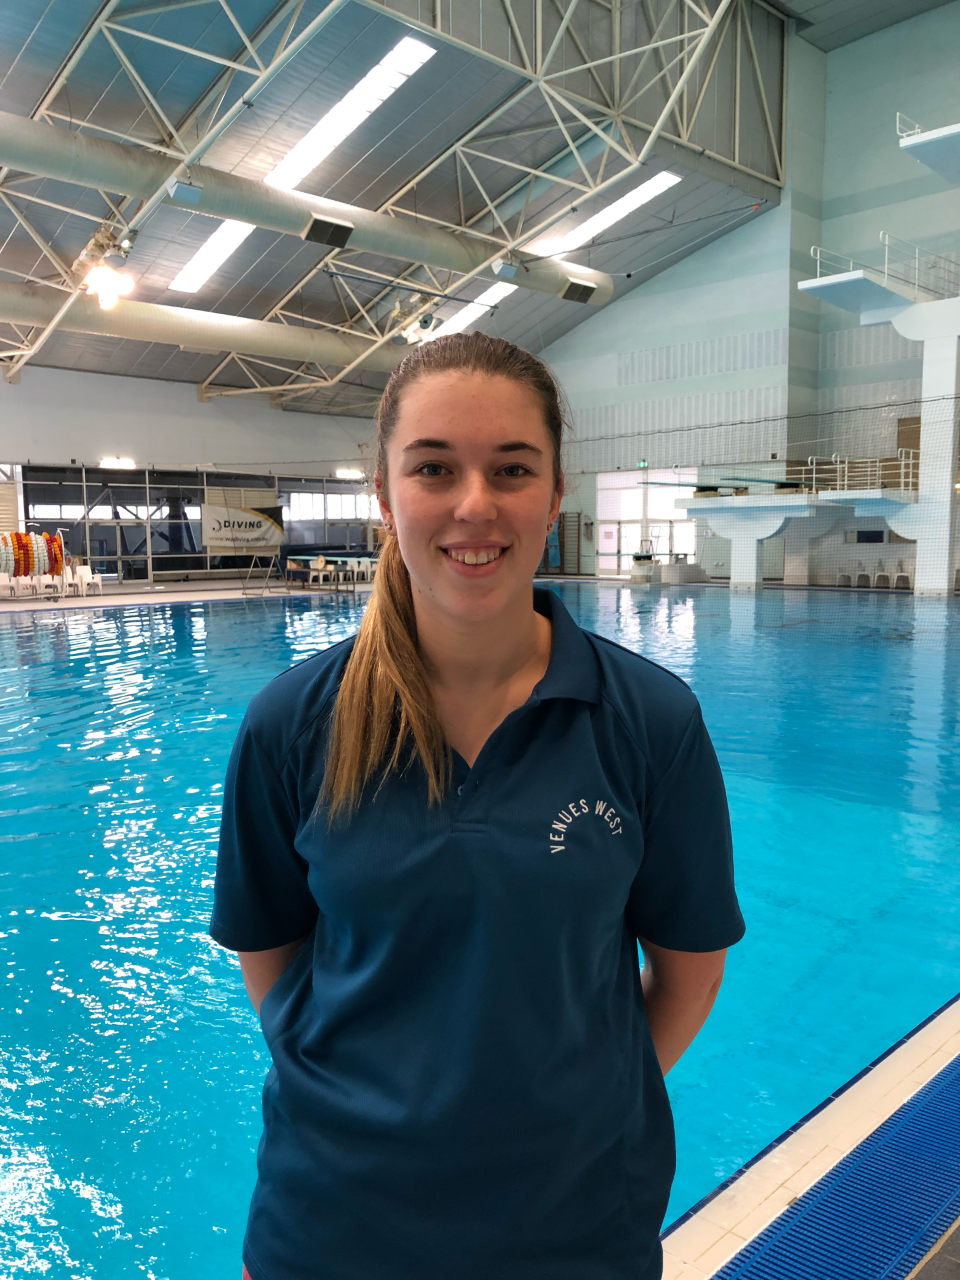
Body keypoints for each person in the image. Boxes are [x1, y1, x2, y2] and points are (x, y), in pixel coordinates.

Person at [211, 332, 744, 1280]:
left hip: (574, 1229)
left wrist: (565, 1107)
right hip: (333, 1226)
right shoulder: (292, 724)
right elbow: (270, 955)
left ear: (554, 494)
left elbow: (690, 973)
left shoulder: (650, 722)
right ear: (386, 497)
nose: (474, 505)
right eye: (433, 468)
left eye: (511, 469)